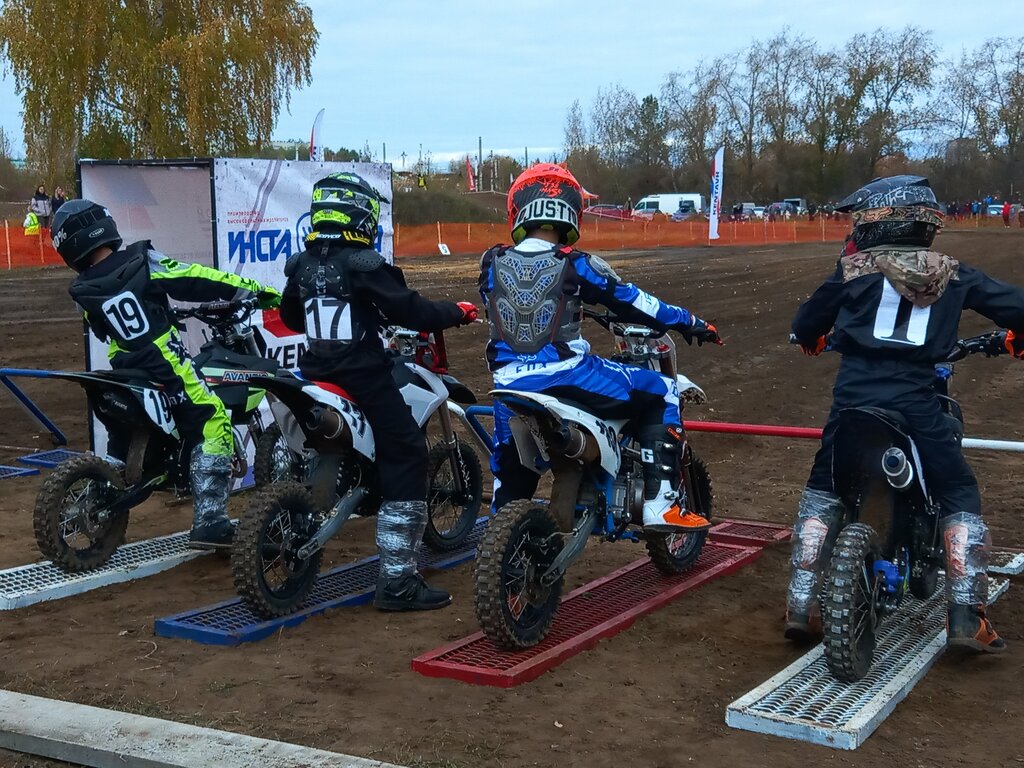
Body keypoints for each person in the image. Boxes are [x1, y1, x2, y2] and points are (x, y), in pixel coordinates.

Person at [786, 175, 1024, 653]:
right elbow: (1016, 307)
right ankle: (966, 617)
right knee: (958, 489)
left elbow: (805, 325)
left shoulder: (852, 270)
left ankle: (801, 605)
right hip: (917, 403)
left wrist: (815, 337)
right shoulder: (954, 273)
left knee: (823, 490)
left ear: (879, 222)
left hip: (852, 403)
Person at [479, 164, 722, 532]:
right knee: (662, 391)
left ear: (519, 208)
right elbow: (635, 303)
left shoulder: (490, 262)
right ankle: (661, 504)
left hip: (508, 384)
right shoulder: (576, 263)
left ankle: (503, 534)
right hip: (568, 375)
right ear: (570, 209)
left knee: (510, 482)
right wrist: (690, 322)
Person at [279, 172, 477, 612]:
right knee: (407, 451)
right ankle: (398, 581)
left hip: (314, 373)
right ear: (361, 215)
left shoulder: (302, 263)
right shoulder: (362, 262)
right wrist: (454, 311)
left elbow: (292, 318)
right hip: (362, 377)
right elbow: (410, 309)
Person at [50, 200, 282, 549]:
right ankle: (210, 521)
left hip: (125, 368)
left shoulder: (81, 292)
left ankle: (103, 497)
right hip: (167, 363)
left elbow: (101, 329)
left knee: (121, 440)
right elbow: (195, 278)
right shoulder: (141, 261)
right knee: (212, 419)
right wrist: (254, 290)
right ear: (101, 227)